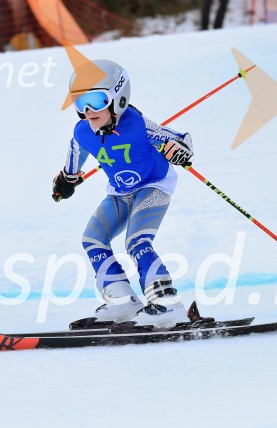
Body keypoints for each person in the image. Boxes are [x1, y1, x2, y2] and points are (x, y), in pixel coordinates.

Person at [52, 59, 194, 330]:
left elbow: (178, 139)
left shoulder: (138, 125)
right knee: (93, 239)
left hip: (154, 186)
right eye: (80, 103)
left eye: (95, 100)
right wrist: (66, 180)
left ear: (118, 98)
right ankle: (122, 302)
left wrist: (180, 150)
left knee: (137, 242)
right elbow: (74, 159)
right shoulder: (83, 131)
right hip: (120, 192)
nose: (88, 111)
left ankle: (168, 305)